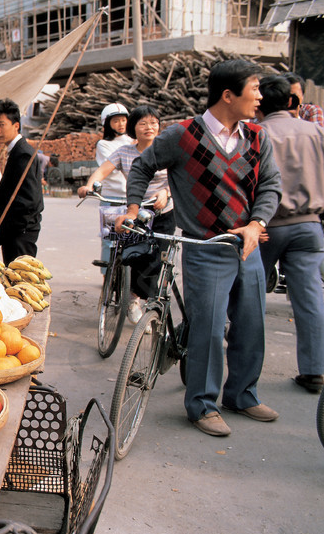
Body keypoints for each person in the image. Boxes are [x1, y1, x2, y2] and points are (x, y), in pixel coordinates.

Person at [120, 59, 282, 438]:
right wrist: (132, 207)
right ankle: (202, 405)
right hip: (205, 247)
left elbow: (270, 186)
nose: (260, 97)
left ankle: (242, 395)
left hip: (247, 246)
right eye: (254, 89)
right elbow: (143, 167)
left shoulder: (258, 137)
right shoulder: (182, 135)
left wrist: (256, 225)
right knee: (207, 331)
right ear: (228, 95)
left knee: (251, 325)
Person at [256, 75, 324, 394]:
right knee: (309, 297)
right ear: (291, 102)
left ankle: (244, 368)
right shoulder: (317, 132)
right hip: (309, 225)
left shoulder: (257, 133)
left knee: (249, 294)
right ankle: (314, 371)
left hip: (265, 226)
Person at [79, 105, 174, 322]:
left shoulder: (166, 149)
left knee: (157, 258)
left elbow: (179, 178)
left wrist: (166, 192)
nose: (149, 127)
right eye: (142, 123)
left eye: (153, 123)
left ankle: (149, 304)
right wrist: (89, 185)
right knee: (134, 255)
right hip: (133, 211)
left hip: (162, 211)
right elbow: (102, 171)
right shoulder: (124, 151)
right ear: (134, 128)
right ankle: (132, 299)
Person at [0, 99, 44, 263]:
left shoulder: (23, 153)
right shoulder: (14, 151)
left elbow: (28, 200)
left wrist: (13, 229)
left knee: (21, 281)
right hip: (14, 232)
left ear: (16, 125)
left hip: (20, 234)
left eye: (1, 125)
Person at [92, 103, 134, 269]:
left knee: (132, 238)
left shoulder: (133, 141)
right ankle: (106, 276)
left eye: (123, 120)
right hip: (111, 197)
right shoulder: (104, 144)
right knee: (109, 239)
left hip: (132, 197)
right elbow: (114, 166)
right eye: (116, 121)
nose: (121, 124)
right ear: (107, 124)